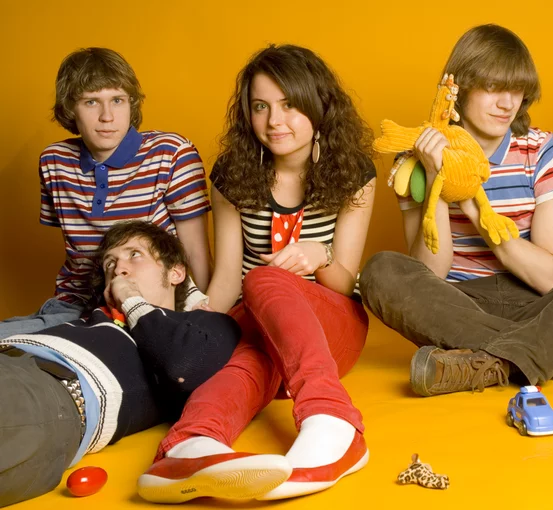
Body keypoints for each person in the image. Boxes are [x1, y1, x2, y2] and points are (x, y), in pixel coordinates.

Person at [360, 24, 553, 397]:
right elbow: (431, 271)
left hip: (543, 304)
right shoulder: (415, 158)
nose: (507, 103)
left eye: (516, 89)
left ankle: (482, 363)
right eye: (493, 87)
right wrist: (437, 179)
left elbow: (551, 276)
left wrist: (473, 202)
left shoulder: (543, 152)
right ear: (460, 88)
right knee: (380, 271)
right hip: (457, 307)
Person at [137, 44, 376, 503]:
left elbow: (346, 283)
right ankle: (191, 445)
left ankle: (332, 420)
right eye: (261, 107)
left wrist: (320, 255)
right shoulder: (234, 173)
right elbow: (227, 274)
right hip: (260, 321)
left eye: (290, 105)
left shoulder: (353, 172)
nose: (275, 121)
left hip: (332, 326)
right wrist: (201, 325)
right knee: (247, 356)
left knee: (264, 279)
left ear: (319, 105)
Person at [0, 221, 249, 508]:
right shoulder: (88, 318)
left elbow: (184, 369)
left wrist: (132, 299)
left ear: (176, 272)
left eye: (135, 255)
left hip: (46, 394)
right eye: (110, 264)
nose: (118, 269)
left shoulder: (202, 325)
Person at [0, 47, 211, 339]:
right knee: (15, 341)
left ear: (131, 104)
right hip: (75, 307)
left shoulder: (172, 153)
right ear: (71, 109)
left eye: (117, 100)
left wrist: (198, 321)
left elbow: (195, 252)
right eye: (91, 102)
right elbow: (77, 256)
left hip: (147, 305)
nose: (107, 116)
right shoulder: (54, 161)